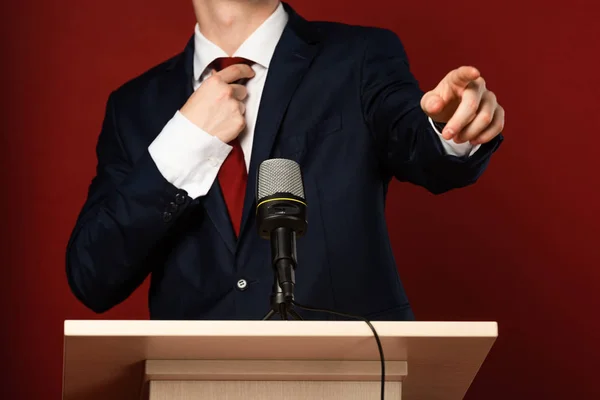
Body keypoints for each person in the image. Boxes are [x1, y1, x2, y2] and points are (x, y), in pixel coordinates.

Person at [66, 0, 504, 321]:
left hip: (348, 372)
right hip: (195, 378)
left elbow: (421, 146)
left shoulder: (360, 56)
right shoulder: (134, 106)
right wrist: (186, 142)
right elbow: (93, 275)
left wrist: (451, 127)